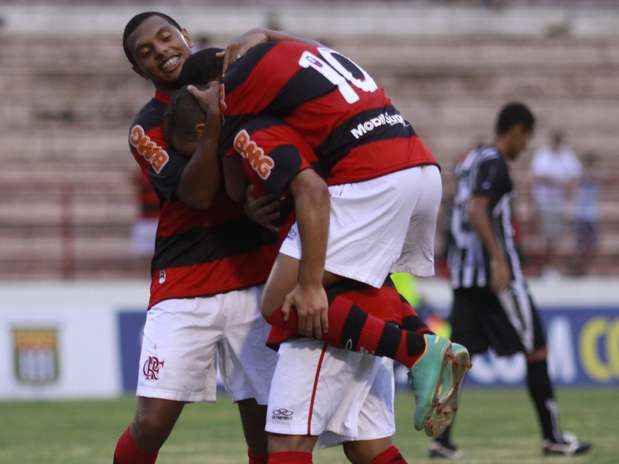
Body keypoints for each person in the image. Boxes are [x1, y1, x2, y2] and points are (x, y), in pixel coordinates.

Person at [165, 42, 471, 463]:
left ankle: (417, 350)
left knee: (280, 312)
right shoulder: (291, 99)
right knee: (369, 447)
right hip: (414, 167)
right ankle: (421, 342)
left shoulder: (250, 125)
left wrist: (309, 285)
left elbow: (311, 191)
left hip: (372, 183)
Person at [114, 12, 328, 464]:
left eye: (166, 37)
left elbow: (307, 64)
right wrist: (215, 121)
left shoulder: (239, 75)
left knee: (267, 429)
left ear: (185, 36)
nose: (161, 53)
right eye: (146, 53)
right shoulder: (147, 126)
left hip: (258, 279)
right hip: (186, 283)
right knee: (151, 424)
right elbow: (193, 193)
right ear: (139, 70)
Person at [433, 102, 591, 459]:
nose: (526, 147)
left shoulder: (470, 159)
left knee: (459, 357)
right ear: (517, 130)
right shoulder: (495, 164)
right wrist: (499, 259)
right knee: (536, 349)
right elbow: (476, 210)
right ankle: (553, 437)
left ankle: (441, 440)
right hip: (496, 276)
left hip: (465, 276)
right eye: (527, 138)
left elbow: (457, 209)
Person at [530, 130, 582, 277]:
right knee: (546, 236)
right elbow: (539, 176)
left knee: (556, 236)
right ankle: (544, 267)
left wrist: (566, 188)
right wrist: (558, 182)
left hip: (559, 202)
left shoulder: (567, 155)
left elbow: (574, 176)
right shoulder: (543, 154)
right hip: (544, 201)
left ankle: (551, 266)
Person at [572, 151, 600, 275]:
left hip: (591, 214)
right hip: (581, 214)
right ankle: (580, 268)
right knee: (581, 244)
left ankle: (586, 267)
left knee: (592, 244)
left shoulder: (595, 175)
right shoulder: (580, 175)